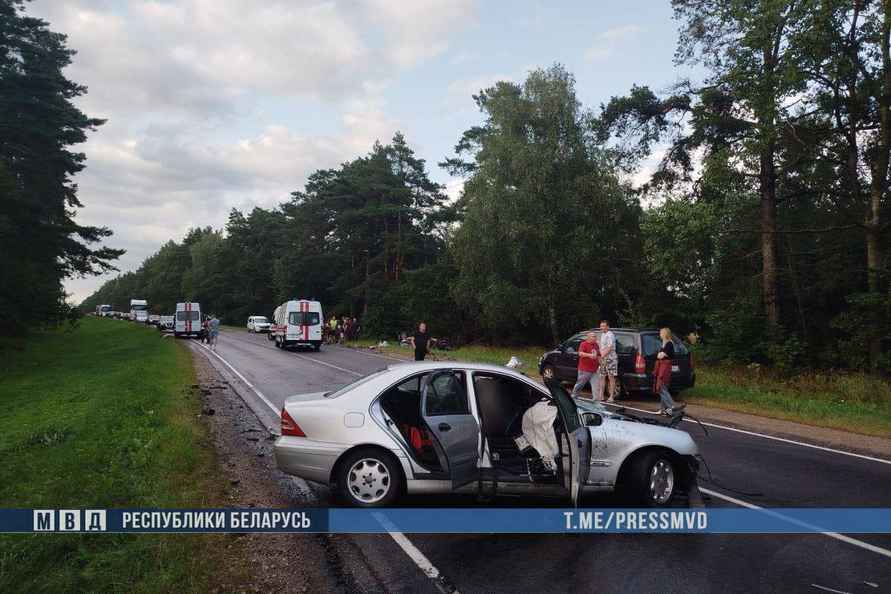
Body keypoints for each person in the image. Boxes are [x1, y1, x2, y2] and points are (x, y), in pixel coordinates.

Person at [654, 327, 685, 415]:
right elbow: (659, 355)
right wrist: (660, 354)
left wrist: (661, 354)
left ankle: (672, 406)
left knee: (661, 387)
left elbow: (661, 356)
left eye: (661, 333)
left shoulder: (669, 344)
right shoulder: (664, 343)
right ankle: (663, 409)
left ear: (664, 334)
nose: (660, 334)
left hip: (665, 367)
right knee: (663, 387)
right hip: (663, 366)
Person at [570, 332, 601, 399]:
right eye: (593, 336)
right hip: (584, 370)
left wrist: (600, 362)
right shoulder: (583, 344)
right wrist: (590, 355)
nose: (595, 338)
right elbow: (580, 353)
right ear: (588, 337)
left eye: (595, 336)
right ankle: (574, 396)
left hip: (594, 370)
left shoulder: (596, 345)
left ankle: (596, 401)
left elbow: (598, 355)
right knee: (580, 384)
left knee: (596, 387)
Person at [598, 320, 619, 403]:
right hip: (604, 359)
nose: (602, 327)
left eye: (603, 326)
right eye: (601, 326)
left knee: (611, 377)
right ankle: (601, 395)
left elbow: (610, 347)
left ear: (608, 327)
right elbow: (602, 346)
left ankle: (611, 397)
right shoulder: (603, 334)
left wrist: (602, 355)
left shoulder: (610, 335)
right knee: (602, 376)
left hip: (611, 359)